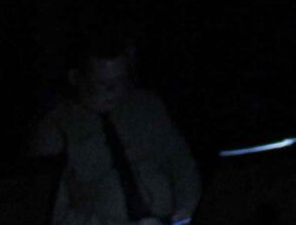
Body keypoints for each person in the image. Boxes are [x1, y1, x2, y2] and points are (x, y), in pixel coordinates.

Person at [23, 26, 201, 225]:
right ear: (76, 77)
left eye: (121, 81)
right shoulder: (55, 129)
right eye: (102, 84)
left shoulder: (146, 107)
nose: (114, 90)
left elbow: (180, 162)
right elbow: (55, 212)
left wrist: (188, 207)